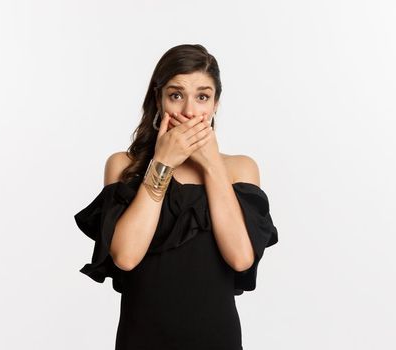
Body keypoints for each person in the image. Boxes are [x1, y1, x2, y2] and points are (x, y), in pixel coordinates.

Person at [74, 44, 279, 350]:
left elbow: (240, 258)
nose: (189, 111)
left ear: (215, 104)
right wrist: (163, 163)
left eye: (202, 96)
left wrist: (211, 165)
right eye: (176, 95)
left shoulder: (240, 168)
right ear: (159, 100)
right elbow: (126, 257)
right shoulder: (123, 165)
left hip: (216, 338)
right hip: (142, 338)